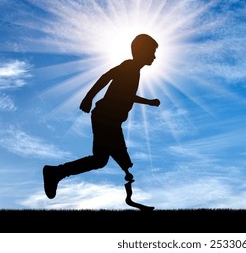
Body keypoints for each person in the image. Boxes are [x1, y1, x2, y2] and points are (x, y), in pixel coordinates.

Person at [43, 34, 160, 210]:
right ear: (142, 52)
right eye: (152, 52)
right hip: (107, 118)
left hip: (107, 118)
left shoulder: (134, 70)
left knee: (100, 160)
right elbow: (106, 77)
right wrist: (88, 97)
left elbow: (124, 93)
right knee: (112, 157)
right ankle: (55, 172)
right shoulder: (130, 67)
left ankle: (55, 172)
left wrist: (148, 102)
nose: (154, 56)